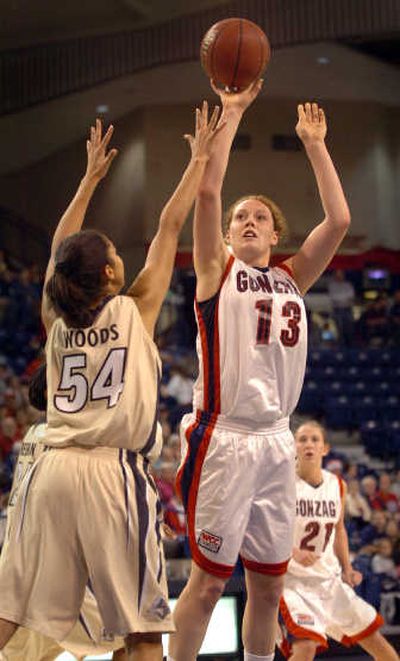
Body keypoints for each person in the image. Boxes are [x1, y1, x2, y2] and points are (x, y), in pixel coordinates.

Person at [0, 105, 223, 660]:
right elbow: (171, 225)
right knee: (142, 630)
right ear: (107, 274)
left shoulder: (54, 321)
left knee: (9, 612)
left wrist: (87, 181)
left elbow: (58, 253)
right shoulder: (134, 309)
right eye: (116, 254)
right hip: (108, 475)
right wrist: (197, 159)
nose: (122, 257)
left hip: (47, 470)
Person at [168, 80, 351, 661]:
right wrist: (233, 112)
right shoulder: (215, 272)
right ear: (227, 234)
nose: (247, 221)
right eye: (239, 217)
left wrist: (315, 145)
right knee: (208, 584)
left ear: (276, 235)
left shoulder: (292, 278)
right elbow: (205, 194)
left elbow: (340, 219)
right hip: (224, 436)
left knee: (269, 585)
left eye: (259, 218)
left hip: (275, 440)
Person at [1, 364, 126, 660]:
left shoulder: (36, 432)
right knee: (130, 635)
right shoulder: (64, 437)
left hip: (24, 558)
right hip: (55, 567)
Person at [278, 420, 398, 661]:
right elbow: (267, 530)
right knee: (305, 648)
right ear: (293, 447)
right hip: (293, 582)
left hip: (329, 580)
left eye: (315, 439)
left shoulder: (337, 485)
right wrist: (293, 551)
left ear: (325, 448)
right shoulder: (281, 483)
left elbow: (339, 529)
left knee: (381, 646)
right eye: (302, 439)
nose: (308, 444)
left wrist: (347, 568)